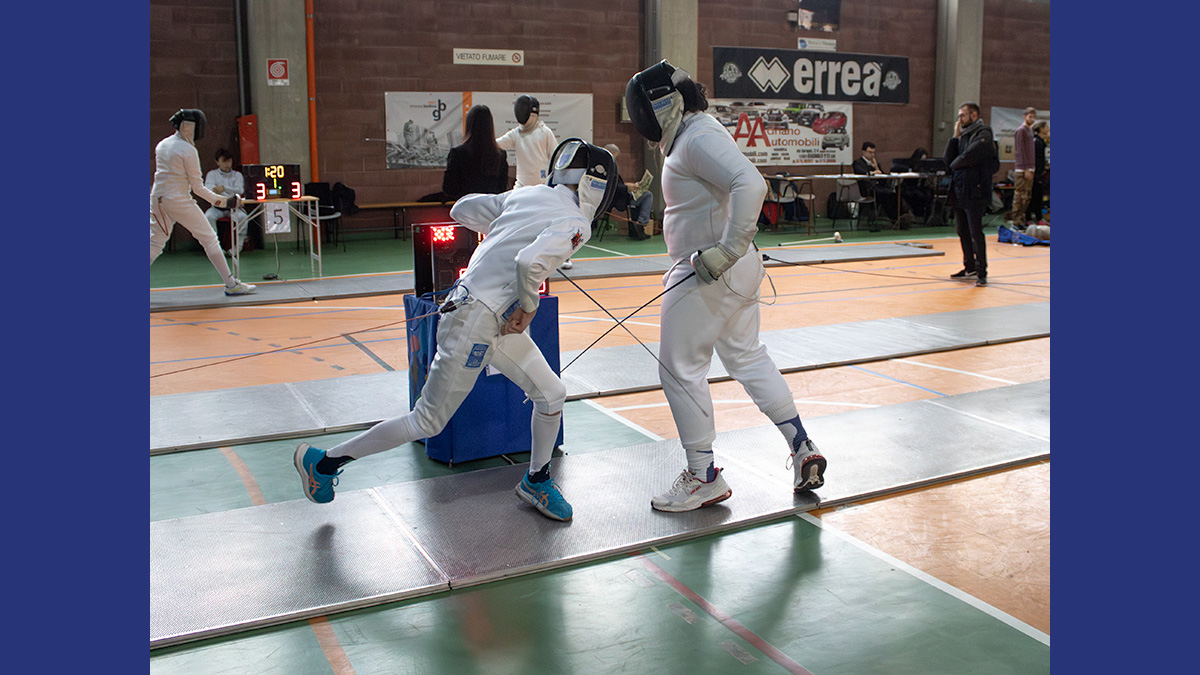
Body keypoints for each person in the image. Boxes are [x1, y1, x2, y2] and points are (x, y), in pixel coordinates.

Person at [294, 138, 618, 522]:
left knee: (551, 394)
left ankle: (537, 479)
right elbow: (529, 262)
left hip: (489, 319)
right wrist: (530, 306)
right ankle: (323, 463)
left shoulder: (527, 195)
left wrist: (506, 226)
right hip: (475, 321)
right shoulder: (575, 222)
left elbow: (461, 208)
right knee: (427, 421)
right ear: (596, 185)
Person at [624, 60, 827, 513]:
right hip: (729, 270)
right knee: (747, 357)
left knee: (679, 369)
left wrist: (726, 251)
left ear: (662, 105)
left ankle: (703, 476)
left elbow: (751, 183)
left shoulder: (696, 137)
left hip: (709, 269)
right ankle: (801, 446)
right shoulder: (694, 132)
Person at [150, 109, 256, 296]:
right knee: (210, 239)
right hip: (178, 200)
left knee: (155, 243)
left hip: (157, 199)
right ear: (187, 126)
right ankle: (232, 285)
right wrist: (225, 202)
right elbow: (198, 188)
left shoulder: (162, 144)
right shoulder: (188, 150)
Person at [496, 95, 572, 269]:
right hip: (522, 186)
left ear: (533, 113)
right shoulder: (516, 133)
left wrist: (557, 184)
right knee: (511, 216)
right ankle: (514, 255)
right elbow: (498, 144)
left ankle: (563, 256)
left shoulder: (545, 132)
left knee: (554, 223)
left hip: (543, 186)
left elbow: (557, 158)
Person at [944, 101, 997, 287]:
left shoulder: (984, 133)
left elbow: (970, 155)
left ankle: (982, 271)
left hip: (976, 191)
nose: (959, 119)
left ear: (973, 115)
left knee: (975, 232)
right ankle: (970, 267)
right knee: (962, 230)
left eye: (962, 116)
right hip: (960, 190)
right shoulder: (963, 136)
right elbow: (948, 160)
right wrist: (955, 137)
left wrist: (956, 164)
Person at [441, 104, 510, 201]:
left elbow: (449, 189)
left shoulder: (457, 153)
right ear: (490, 126)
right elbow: (502, 189)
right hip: (490, 207)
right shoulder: (500, 155)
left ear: (469, 125)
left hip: (466, 206)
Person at [203, 148, 250, 254]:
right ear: (217, 162)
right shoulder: (212, 174)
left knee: (243, 218)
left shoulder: (237, 175)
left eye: (229, 161)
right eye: (224, 161)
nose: (227, 164)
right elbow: (209, 189)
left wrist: (224, 188)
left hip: (234, 207)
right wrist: (226, 193)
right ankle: (216, 247)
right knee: (208, 217)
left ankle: (238, 247)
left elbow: (240, 190)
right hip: (216, 208)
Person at [602, 143, 653, 240]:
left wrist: (631, 185)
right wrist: (629, 187)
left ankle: (637, 227)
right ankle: (641, 223)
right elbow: (615, 188)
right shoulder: (609, 167)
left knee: (641, 196)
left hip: (617, 196)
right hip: (618, 199)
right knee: (648, 195)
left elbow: (616, 184)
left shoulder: (604, 167)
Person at [851, 141, 898, 227]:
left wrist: (876, 167)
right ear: (863, 152)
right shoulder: (857, 163)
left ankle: (897, 217)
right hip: (867, 189)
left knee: (892, 194)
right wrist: (873, 172)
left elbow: (883, 179)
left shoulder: (876, 164)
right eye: (870, 152)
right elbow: (861, 172)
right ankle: (893, 218)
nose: (872, 155)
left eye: (873, 152)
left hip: (878, 187)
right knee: (885, 195)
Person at [1007, 107, 1037, 228]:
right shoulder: (1021, 131)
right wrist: (1025, 169)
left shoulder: (1030, 130)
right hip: (1023, 169)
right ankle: (1016, 221)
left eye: (1034, 117)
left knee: (1027, 197)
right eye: (1030, 116)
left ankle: (1021, 219)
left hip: (1030, 167)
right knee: (1020, 196)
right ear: (1024, 117)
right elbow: (1020, 151)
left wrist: (1032, 167)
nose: (1032, 119)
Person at [900, 147, 935, 219]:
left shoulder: (924, 168)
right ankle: (918, 213)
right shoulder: (910, 165)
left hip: (919, 187)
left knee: (930, 192)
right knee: (919, 195)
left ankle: (928, 216)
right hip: (909, 187)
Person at [1026, 121, 1049, 224]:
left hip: (1040, 173)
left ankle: (1039, 217)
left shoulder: (1041, 142)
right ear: (1041, 128)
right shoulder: (1036, 141)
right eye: (1046, 127)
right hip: (1035, 174)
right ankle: (1028, 218)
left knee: (1039, 196)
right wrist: (1035, 172)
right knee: (1032, 196)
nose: (1048, 129)